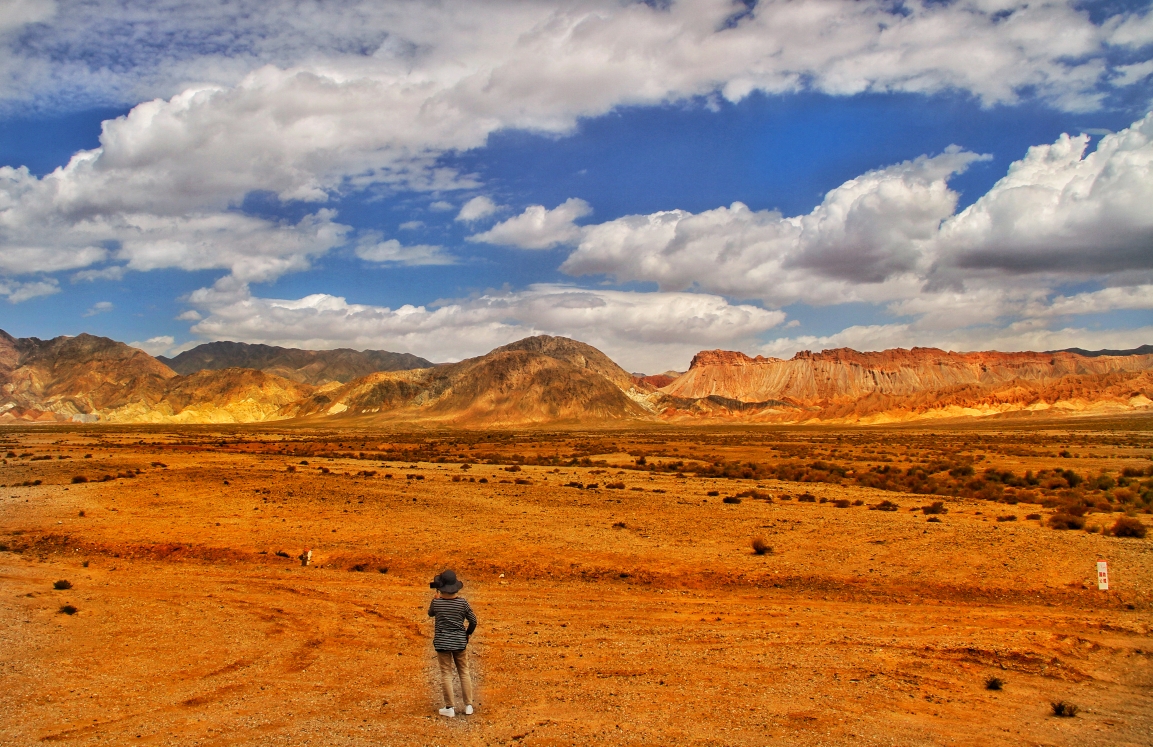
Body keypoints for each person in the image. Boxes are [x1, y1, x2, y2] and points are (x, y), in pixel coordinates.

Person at [427, 569, 477, 718]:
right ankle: (468, 705)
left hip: (442, 642)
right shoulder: (462, 603)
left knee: (446, 673)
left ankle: (450, 707)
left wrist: (435, 598)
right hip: (459, 642)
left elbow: (430, 613)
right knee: (464, 671)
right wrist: (467, 634)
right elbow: (473, 620)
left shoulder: (437, 603)